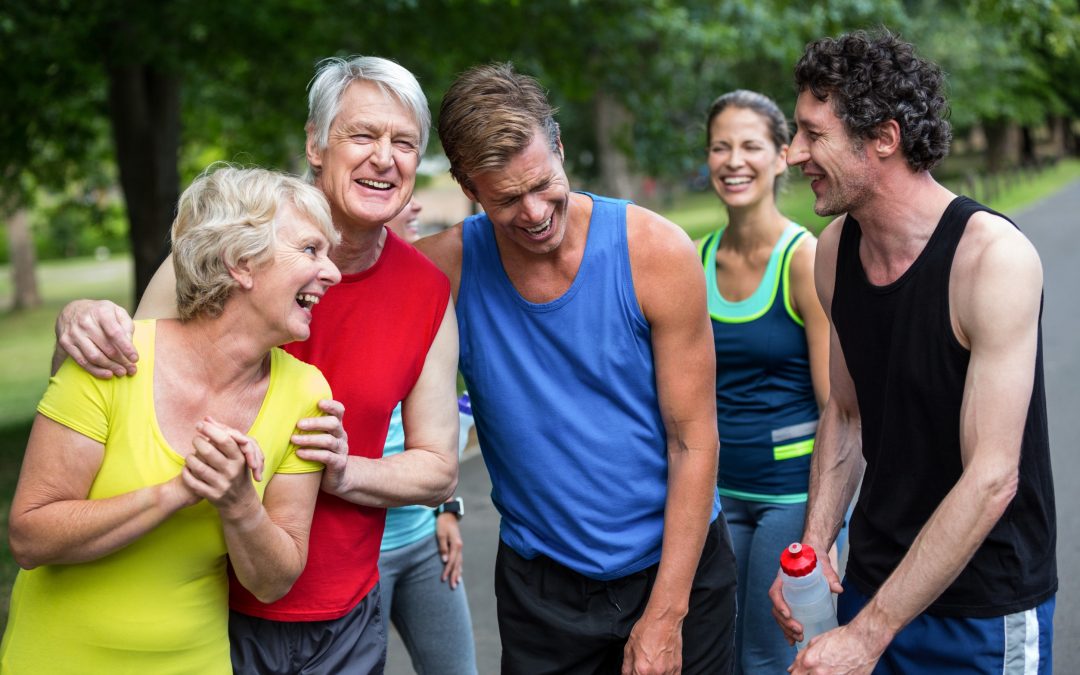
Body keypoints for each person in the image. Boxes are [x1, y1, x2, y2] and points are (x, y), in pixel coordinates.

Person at [52, 56, 460, 673]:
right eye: (363, 135)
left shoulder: (426, 293)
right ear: (314, 144)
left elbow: (437, 470)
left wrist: (345, 471)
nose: (386, 158)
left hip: (344, 617)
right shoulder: (226, 255)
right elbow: (121, 377)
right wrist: (77, 323)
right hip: (204, 600)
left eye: (404, 143)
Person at [415, 63, 737, 674]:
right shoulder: (444, 272)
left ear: (559, 147)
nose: (535, 212)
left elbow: (694, 442)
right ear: (467, 185)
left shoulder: (655, 252)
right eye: (508, 198)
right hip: (543, 595)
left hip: (676, 571)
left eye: (544, 183)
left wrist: (666, 617)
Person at [767, 31, 1056, 673]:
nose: (792, 154)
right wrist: (812, 555)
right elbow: (844, 414)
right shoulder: (833, 252)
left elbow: (991, 478)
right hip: (874, 585)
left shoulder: (991, 260)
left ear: (884, 138)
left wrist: (865, 638)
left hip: (984, 609)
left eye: (814, 134)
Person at [0, 166, 339, 673]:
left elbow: (273, 582)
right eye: (311, 250)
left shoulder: (305, 392)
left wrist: (240, 504)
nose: (332, 272)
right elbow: (30, 537)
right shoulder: (113, 356)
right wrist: (179, 491)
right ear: (241, 264)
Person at [698, 90, 829, 674]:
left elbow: (839, 408)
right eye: (720, 147)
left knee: (763, 656)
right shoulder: (692, 259)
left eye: (750, 146)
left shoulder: (804, 258)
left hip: (789, 495)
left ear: (781, 157)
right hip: (716, 495)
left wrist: (832, 525)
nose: (733, 161)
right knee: (716, 654)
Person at [378, 201, 478, 675]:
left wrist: (446, 508)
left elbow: (435, 426)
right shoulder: (315, 288)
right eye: (400, 198)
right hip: (361, 555)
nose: (414, 202)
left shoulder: (421, 288)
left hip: (423, 542)